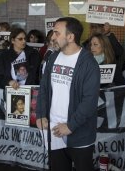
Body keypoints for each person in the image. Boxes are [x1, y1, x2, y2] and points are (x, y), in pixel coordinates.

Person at [36, 17, 100, 171]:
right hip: (53, 129)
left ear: (70, 37)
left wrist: (71, 125)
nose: (52, 37)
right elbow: (44, 88)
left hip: (79, 132)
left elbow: (89, 101)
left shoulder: (89, 64)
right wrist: (41, 114)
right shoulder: (53, 57)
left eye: (57, 33)